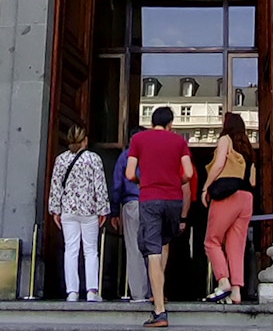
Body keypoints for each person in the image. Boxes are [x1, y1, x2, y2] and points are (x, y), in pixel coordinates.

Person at [127, 106, 194, 328]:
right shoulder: (178, 141)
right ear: (170, 124)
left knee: (152, 252)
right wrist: (178, 182)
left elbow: (129, 173)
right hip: (173, 200)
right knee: (164, 243)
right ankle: (160, 292)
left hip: (150, 198)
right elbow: (189, 173)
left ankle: (159, 311)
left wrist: (142, 182)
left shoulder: (139, 139)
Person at [48, 125, 110, 302]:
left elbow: (56, 186)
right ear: (85, 140)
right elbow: (100, 186)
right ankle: (91, 291)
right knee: (90, 251)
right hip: (89, 210)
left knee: (71, 249)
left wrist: (55, 210)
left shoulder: (61, 160)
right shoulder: (93, 159)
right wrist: (103, 209)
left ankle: (72, 291)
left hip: (68, 210)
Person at [200, 113, 256, 305]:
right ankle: (236, 292)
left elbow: (219, 165)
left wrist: (206, 187)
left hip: (227, 194)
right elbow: (253, 180)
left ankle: (223, 281)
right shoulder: (248, 148)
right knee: (236, 247)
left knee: (211, 241)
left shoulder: (225, 139)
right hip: (246, 197)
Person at [111, 132, 151, 302]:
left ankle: (138, 294)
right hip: (151, 203)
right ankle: (154, 291)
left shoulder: (125, 156)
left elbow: (117, 185)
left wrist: (114, 211)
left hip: (131, 204)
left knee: (134, 249)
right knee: (153, 249)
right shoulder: (151, 155)